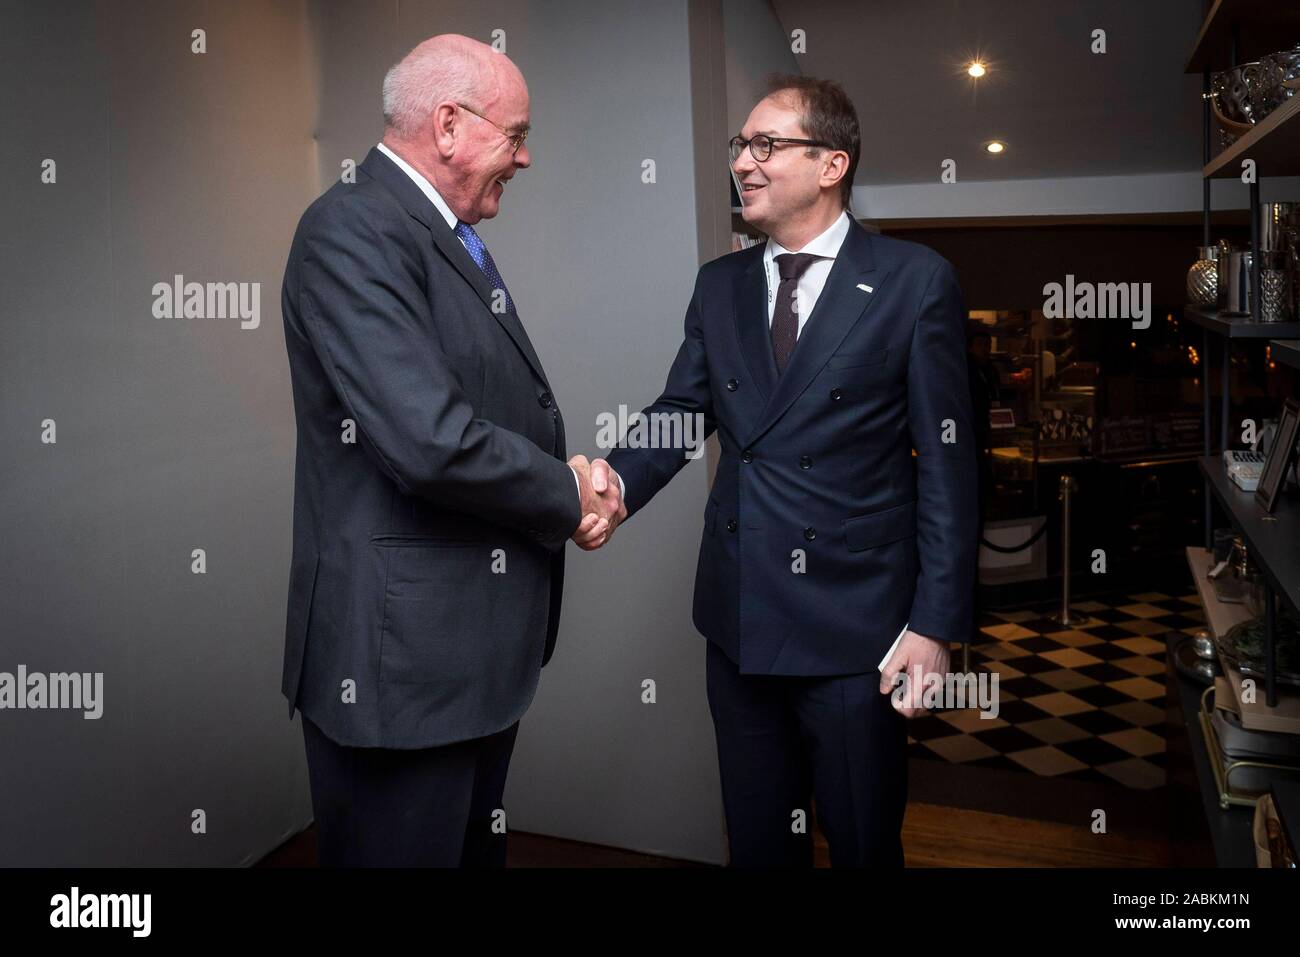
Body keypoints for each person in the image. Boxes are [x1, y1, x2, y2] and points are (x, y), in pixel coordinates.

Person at [592, 74, 978, 867]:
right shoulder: (719, 284)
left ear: (832, 164)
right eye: (741, 145)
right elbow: (680, 409)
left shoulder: (912, 281)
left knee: (863, 839)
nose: (744, 162)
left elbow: (948, 463)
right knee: (760, 839)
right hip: (739, 620)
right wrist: (617, 483)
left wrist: (935, 626)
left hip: (857, 627)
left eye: (766, 144)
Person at [279, 34, 621, 867]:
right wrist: (566, 492)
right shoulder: (353, 229)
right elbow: (430, 441)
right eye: (517, 134)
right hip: (401, 671)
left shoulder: (432, 230)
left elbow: (484, 407)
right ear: (449, 125)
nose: (526, 157)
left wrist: (564, 472)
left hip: (461, 659)